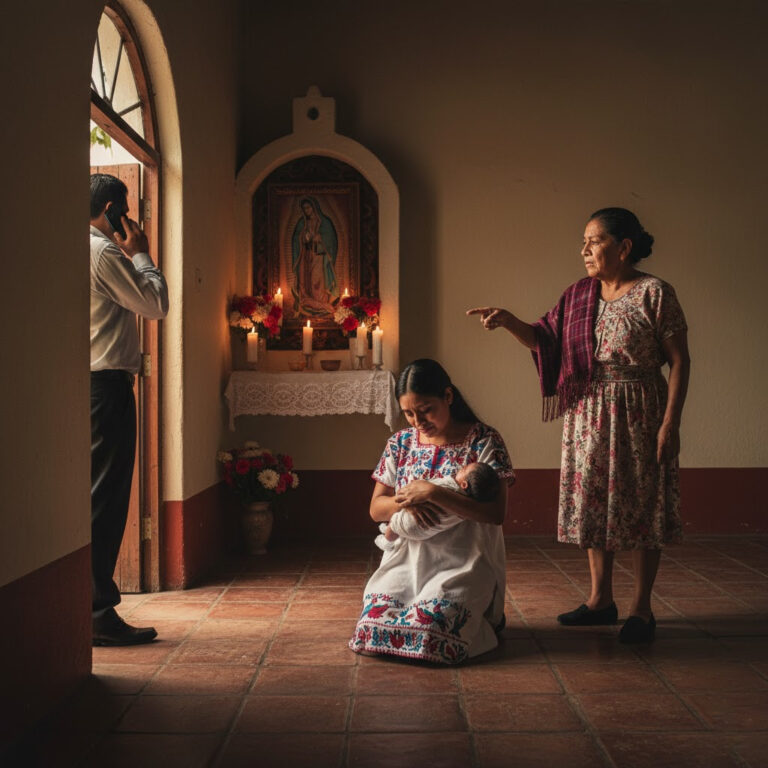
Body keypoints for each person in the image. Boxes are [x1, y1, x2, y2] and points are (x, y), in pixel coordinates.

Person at [468, 207, 690, 644]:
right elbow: (546, 341)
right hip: (587, 414)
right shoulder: (579, 295)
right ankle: (599, 600)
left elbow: (680, 360)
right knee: (593, 501)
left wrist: (670, 425)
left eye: (594, 240)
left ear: (624, 247)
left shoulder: (655, 293)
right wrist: (511, 321)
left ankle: (641, 608)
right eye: (583, 241)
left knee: (644, 503)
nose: (584, 249)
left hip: (639, 411)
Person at [349, 359, 514, 664]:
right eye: (409, 413)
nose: (417, 421)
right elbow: (376, 509)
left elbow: (495, 513)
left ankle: (484, 616)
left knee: (432, 631)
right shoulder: (399, 443)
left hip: (462, 562)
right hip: (406, 562)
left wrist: (434, 492)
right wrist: (411, 500)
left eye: (425, 410)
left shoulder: (484, 441)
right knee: (371, 629)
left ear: (448, 397)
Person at [90, 173, 169, 645]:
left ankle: (92, 606)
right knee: (106, 498)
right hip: (106, 388)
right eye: (124, 212)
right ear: (114, 211)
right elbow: (154, 304)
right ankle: (98, 612)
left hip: (89, 383)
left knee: (96, 494)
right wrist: (140, 251)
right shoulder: (103, 252)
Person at [375, 461, 500, 551]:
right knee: (398, 523)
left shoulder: (449, 486)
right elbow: (375, 511)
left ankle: (387, 541)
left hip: (413, 525)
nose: (461, 467)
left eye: (464, 469)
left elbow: (424, 486)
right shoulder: (464, 508)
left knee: (395, 523)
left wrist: (431, 493)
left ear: (464, 485)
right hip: (425, 532)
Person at [291, 196, 338, 317]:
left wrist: (320, 238)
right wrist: (303, 237)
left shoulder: (325, 222)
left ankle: (321, 304)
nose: (306, 210)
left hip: (318, 255)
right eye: (304, 208)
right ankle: (306, 303)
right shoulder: (302, 223)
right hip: (305, 254)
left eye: (308, 207)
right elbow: (296, 238)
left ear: (314, 207)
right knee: (304, 279)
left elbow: (331, 239)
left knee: (317, 281)